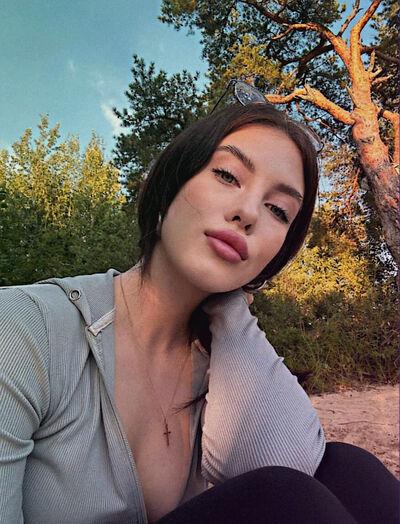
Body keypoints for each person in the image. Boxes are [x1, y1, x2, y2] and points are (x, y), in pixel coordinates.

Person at [0, 102, 398, 524]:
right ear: (172, 179)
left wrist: (230, 306)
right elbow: (285, 496)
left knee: (348, 469)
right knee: (289, 497)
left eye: (278, 210)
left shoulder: (218, 364)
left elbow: (292, 461)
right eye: (227, 175)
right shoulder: (25, 327)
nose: (248, 212)